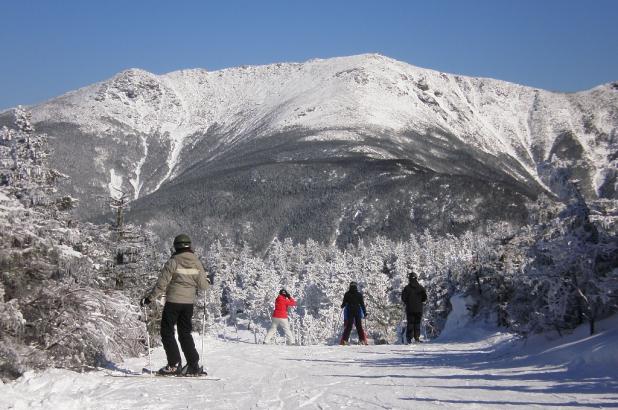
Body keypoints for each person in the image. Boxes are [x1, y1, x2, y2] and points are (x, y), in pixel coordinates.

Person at [140, 234, 210, 376]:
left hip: (173, 302)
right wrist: (208, 280)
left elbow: (162, 283)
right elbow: (203, 286)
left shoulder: (173, 261)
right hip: (188, 304)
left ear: (176, 246)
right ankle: (193, 365)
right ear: (189, 246)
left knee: (167, 332)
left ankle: (174, 364)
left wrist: (149, 298)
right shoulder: (197, 262)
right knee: (185, 333)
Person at [401, 270, 427, 343]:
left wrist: (407, 302)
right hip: (419, 308)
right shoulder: (421, 288)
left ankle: (409, 338)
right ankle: (417, 338)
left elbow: (403, 298)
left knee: (410, 323)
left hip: (410, 309)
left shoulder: (406, 288)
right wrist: (420, 301)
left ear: (409, 278)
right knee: (417, 323)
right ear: (416, 278)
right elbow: (425, 297)